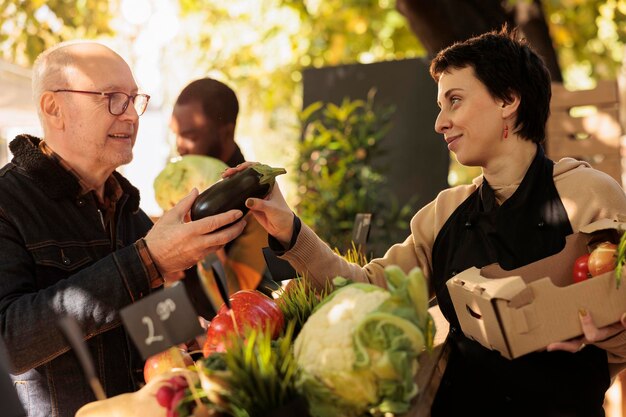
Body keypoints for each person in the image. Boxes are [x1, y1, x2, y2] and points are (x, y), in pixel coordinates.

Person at [230, 28, 626, 417]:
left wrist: (614, 334)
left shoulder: (590, 195)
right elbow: (366, 291)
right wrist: (289, 229)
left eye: (455, 100)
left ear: (508, 99)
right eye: (441, 106)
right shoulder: (445, 212)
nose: (440, 123)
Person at [0, 41, 246, 417]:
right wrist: (149, 259)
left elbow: (145, 323)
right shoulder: (8, 202)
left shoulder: (127, 207)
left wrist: (199, 336)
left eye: (134, 99)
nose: (131, 115)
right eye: (112, 98)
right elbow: (9, 343)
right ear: (54, 108)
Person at [170, 78, 270, 314]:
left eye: (191, 136)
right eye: (176, 134)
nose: (179, 147)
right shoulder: (187, 183)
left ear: (226, 134)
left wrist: (205, 241)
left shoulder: (256, 198)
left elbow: (238, 297)